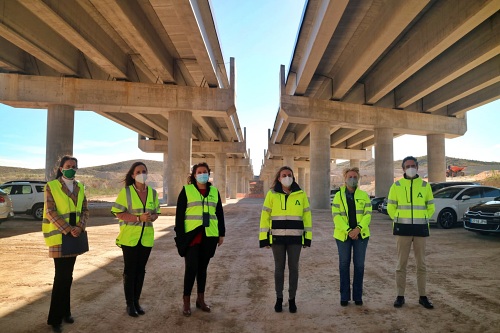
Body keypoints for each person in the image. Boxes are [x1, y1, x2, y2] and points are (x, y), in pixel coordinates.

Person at [42, 155, 89, 333]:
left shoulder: (81, 187)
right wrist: (69, 229)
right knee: (61, 277)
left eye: (74, 166)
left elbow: (85, 210)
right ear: (61, 168)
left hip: (75, 235)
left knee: (68, 276)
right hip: (60, 236)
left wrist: (80, 227)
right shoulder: (51, 186)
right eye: (68, 166)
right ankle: (55, 318)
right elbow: (50, 211)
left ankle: (65, 312)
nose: (71, 168)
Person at [174, 162, 225, 317]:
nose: (202, 174)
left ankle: (200, 300)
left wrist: (221, 234)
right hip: (192, 236)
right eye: (199, 172)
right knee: (191, 267)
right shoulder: (187, 191)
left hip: (209, 235)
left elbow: (219, 214)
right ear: (194, 175)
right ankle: (186, 301)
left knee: (203, 269)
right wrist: (180, 236)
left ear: (209, 174)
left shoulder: (214, 192)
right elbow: (180, 215)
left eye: (205, 172)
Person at [259, 166, 312, 313]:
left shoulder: (301, 195)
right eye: (284, 175)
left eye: (289, 175)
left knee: (294, 269)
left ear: (293, 178)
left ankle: (292, 299)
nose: (287, 177)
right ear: (279, 178)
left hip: (295, 238)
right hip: (277, 238)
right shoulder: (272, 194)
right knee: (279, 269)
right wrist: (264, 238)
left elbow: (307, 217)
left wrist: (307, 238)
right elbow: (265, 217)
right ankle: (279, 299)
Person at [111, 162, 160, 317]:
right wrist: (138, 217)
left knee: (141, 271)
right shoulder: (126, 192)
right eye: (138, 171)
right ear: (132, 175)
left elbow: (156, 212)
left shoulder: (152, 193)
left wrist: (152, 217)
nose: (141, 173)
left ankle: (137, 301)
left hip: (146, 239)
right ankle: (129, 304)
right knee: (130, 271)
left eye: (144, 171)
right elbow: (117, 213)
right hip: (130, 238)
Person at [387, 156, 435, 309]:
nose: (410, 168)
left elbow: (431, 206)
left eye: (413, 165)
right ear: (403, 168)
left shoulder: (425, 186)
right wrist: (398, 218)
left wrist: (425, 217)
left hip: (420, 229)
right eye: (407, 166)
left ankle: (422, 296)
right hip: (403, 229)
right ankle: (400, 296)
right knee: (401, 264)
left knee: (421, 264)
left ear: (417, 167)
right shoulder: (397, 186)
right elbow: (390, 207)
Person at [331, 167, 371, 306]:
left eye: (355, 177)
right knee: (344, 265)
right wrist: (349, 230)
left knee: (359, 265)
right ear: (345, 178)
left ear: (358, 178)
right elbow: (336, 216)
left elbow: (367, 214)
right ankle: (344, 297)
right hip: (343, 235)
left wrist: (358, 229)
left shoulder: (364, 195)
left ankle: (358, 296)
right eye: (350, 176)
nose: (352, 179)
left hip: (361, 235)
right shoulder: (338, 196)